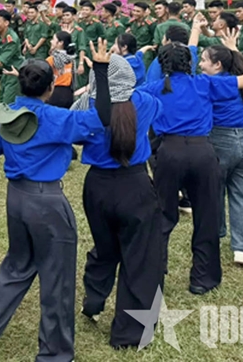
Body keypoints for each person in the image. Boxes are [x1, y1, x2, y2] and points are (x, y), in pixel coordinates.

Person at [0, 40, 112, 362]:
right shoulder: (56, 118)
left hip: (16, 198)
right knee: (57, 279)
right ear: (51, 87)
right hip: (47, 201)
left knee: (18, 264)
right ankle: (54, 354)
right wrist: (100, 70)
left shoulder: (7, 115)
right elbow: (102, 118)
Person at [135, 28, 243, 295]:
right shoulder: (203, 83)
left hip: (169, 152)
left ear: (162, 64)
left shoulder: (155, 88)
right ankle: (203, 278)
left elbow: (125, 101)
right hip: (203, 152)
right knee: (207, 215)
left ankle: (154, 276)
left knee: (163, 215)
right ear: (189, 64)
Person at [70, 55, 163, 349]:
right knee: (140, 258)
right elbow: (155, 103)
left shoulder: (87, 107)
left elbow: (75, 133)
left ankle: (93, 300)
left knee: (105, 247)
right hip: (134, 185)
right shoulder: (145, 102)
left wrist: (91, 90)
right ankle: (130, 332)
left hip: (97, 187)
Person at [199, 38, 243, 267]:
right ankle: (242, 248)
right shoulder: (240, 80)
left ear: (217, 65)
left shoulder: (211, 82)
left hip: (219, 139)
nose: (200, 64)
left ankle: (216, 233)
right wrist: (235, 50)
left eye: (204, 60)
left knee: (214, 190)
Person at [46, 31, 76, 108]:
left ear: (60, 43)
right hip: (68, 93)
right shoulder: (71, 59)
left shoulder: (51, 60)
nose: (51, 41)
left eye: (53, 39)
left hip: (54, 93)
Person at [127, 1, 156, 68]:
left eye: (138, 11)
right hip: (133, 51)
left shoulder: (150, 23)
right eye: (134, 10)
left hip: (146, 53)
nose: (135, 13)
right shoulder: (132, 23)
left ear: (144, 12)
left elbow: (154, 38)